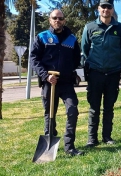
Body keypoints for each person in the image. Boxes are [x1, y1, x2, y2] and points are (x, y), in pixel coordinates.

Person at [31, 9, 84, 156]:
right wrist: (45, 75)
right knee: (50, 113)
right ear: (50, 20)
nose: (57, 20)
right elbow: (34, 58)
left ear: (64, 21)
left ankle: (70, 147)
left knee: (73, 110)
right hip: (49, 83)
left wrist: (67, 71)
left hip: (66, 83)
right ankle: (50, 139)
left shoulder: (72, 39)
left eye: (60, 18)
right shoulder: (42, 37)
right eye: (54, 18)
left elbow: (76, 60)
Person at [81, 0, 121, 147]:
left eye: (109, 7)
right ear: (98, 9)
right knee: (94, 108)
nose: (106, 10)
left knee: (109, 107)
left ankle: (107, 137)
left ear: (112, 9)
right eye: (103, 7)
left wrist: (115, 63)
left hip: (113, 74)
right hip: (95, 73)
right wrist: (93, 63)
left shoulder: (120, 28)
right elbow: (85, 49)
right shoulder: (89, 28)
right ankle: (92, 139)